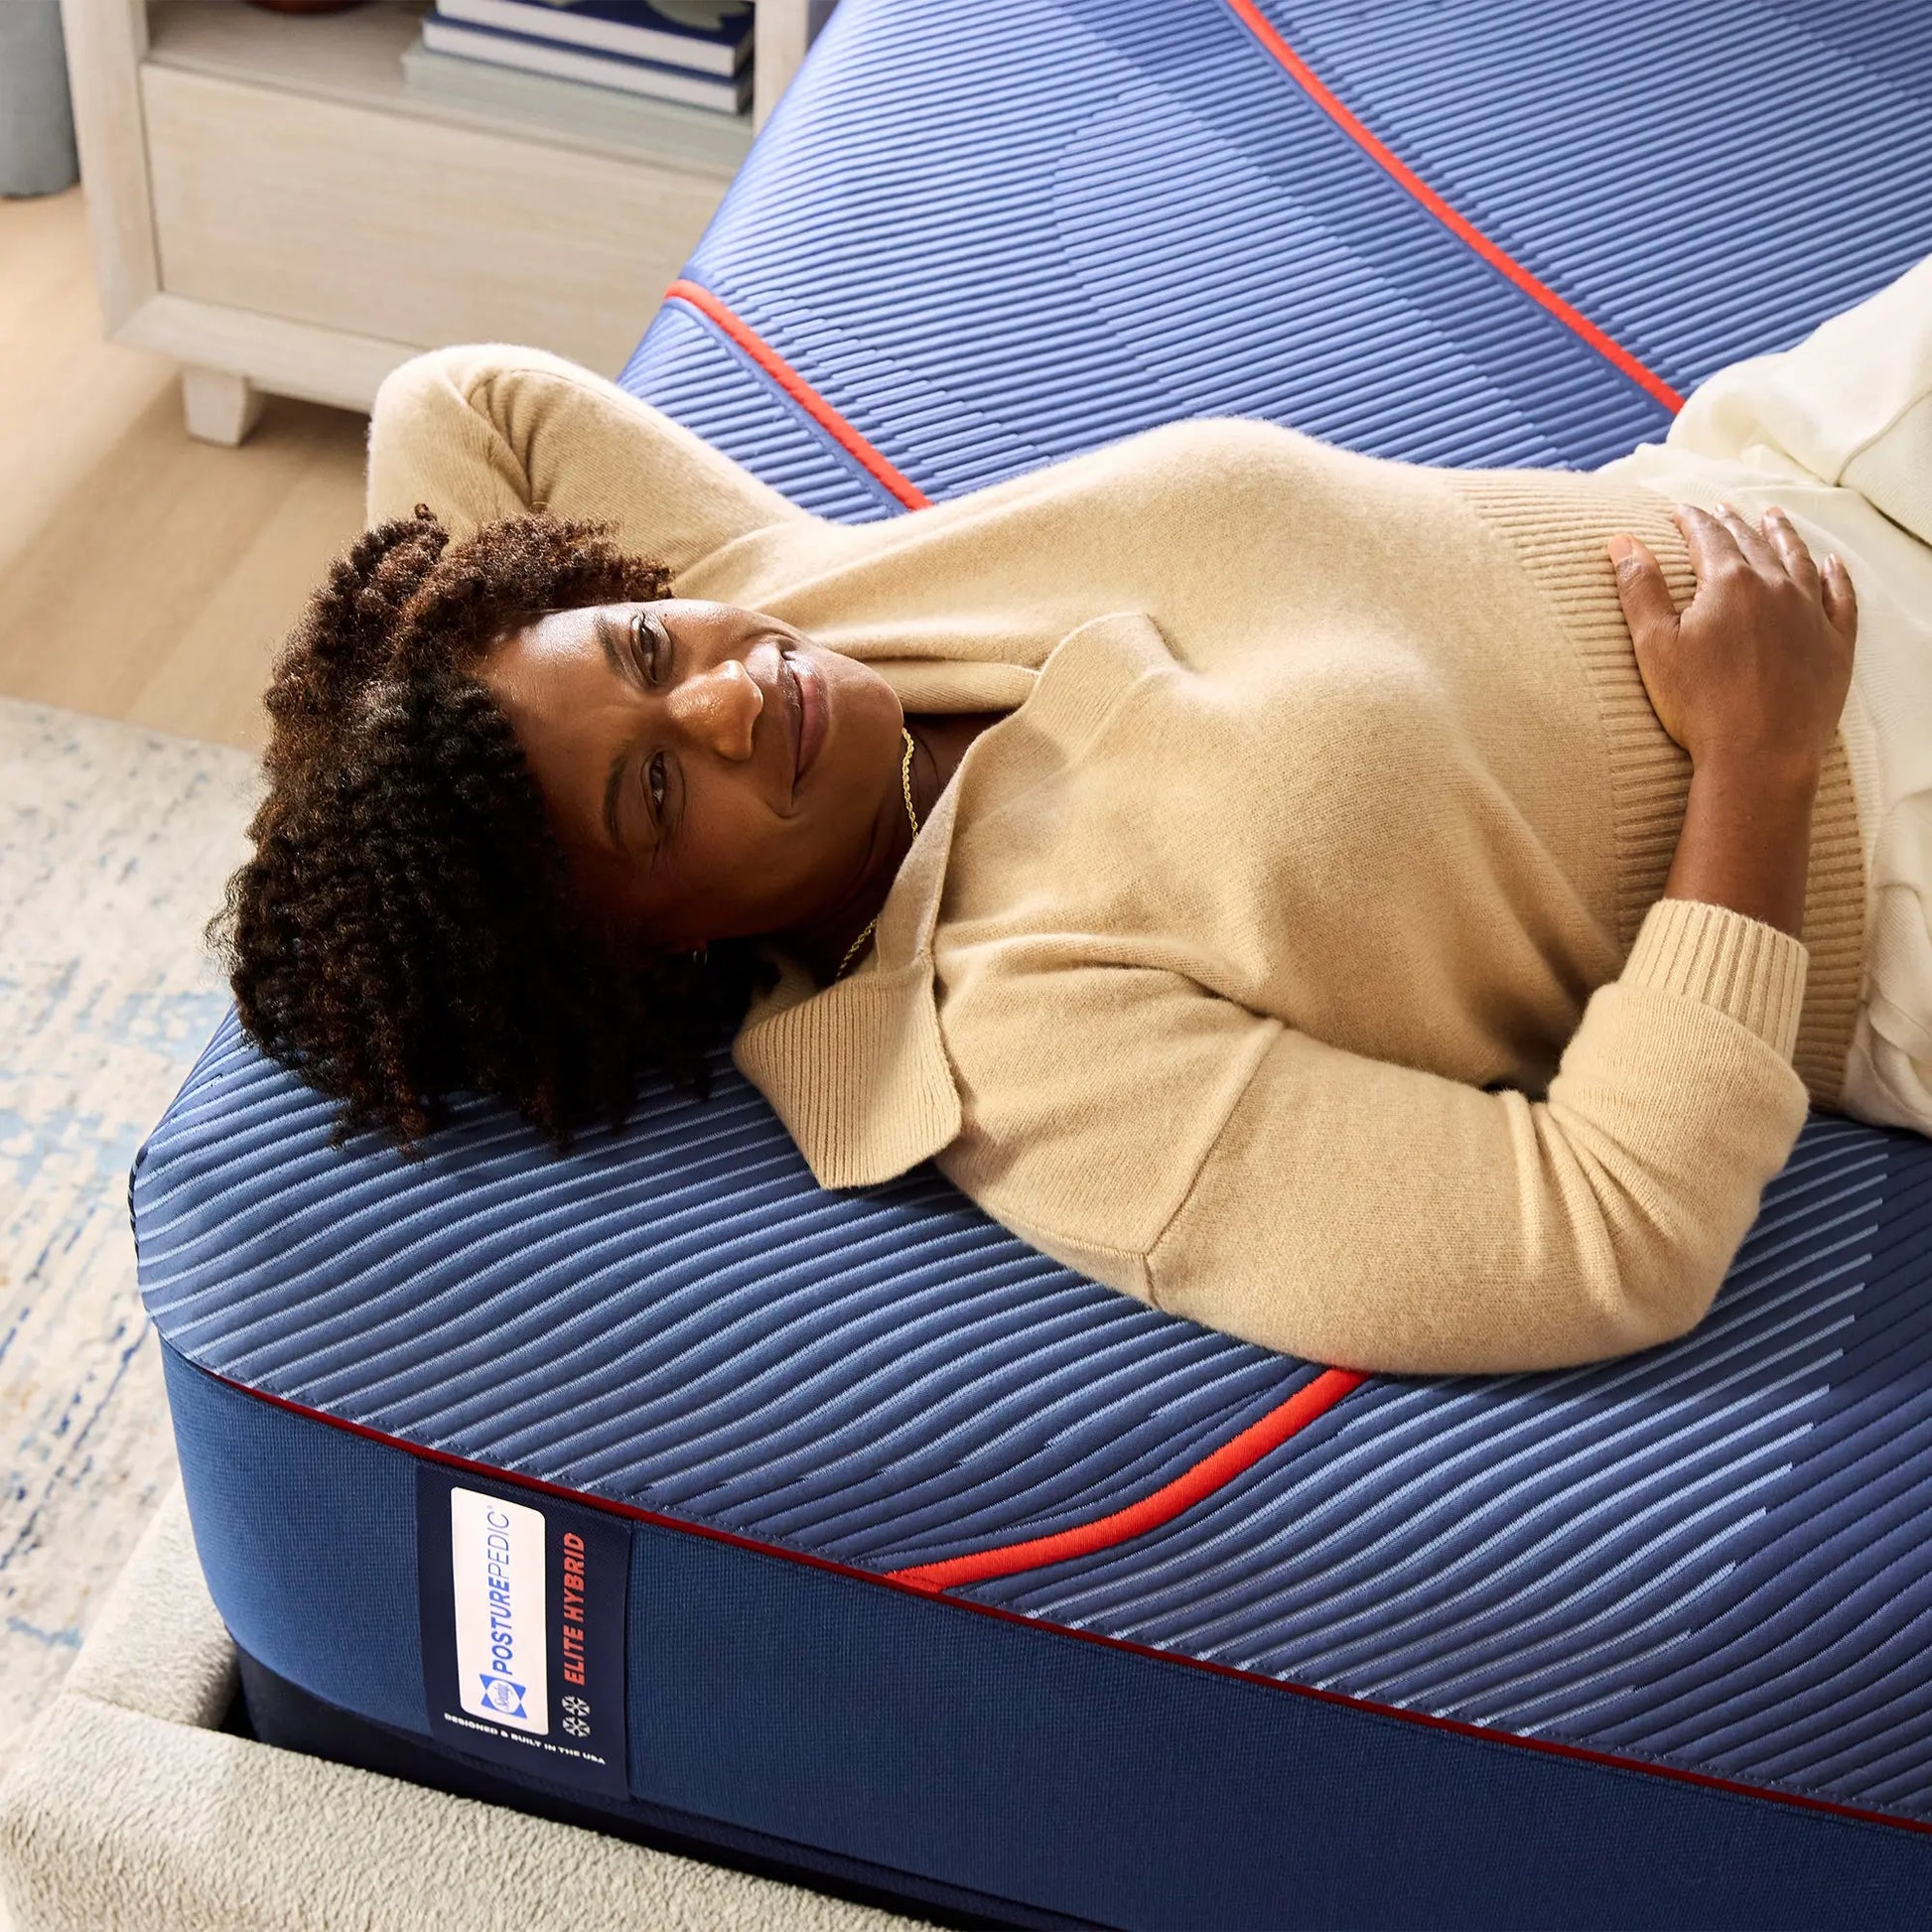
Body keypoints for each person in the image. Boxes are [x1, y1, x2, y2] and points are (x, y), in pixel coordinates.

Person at [217, 258, 1932, 1377]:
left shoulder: (794, 603)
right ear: (639, 945)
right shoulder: (1021, 1050)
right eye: (655, 793)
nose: (730, 697)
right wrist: (1756, 761)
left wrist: (395, 735)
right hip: (1885, 835)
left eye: (647, 646)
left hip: (1785, 481)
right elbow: (1605, 1234)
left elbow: (457, 403)